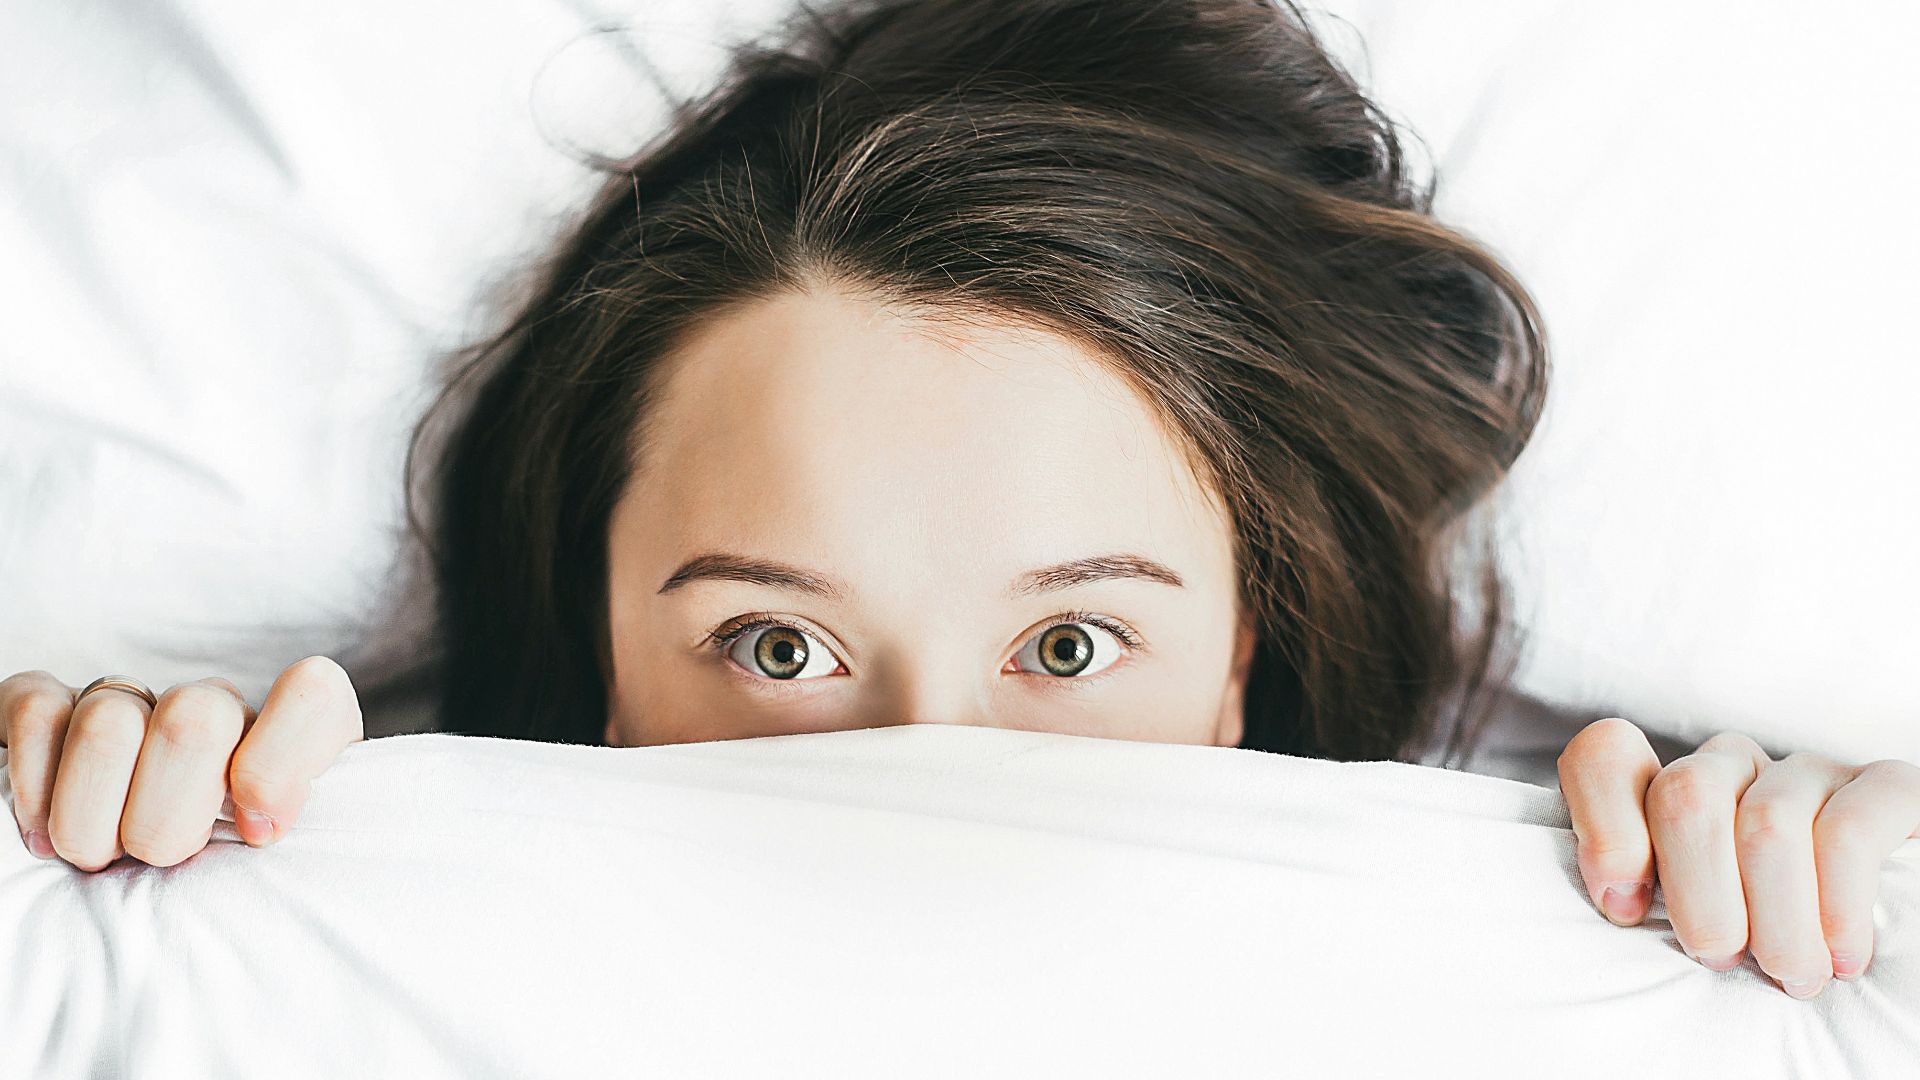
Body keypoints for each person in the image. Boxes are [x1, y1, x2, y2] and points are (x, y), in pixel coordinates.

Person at [2, 0, 1914, 1003]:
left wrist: (1844, 892)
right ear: (595, 655)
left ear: (1245, 653)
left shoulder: (1582, 933)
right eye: (777, 644)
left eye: (1072, 643)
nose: (929, 775)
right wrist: (93, 831)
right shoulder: (311, 931)